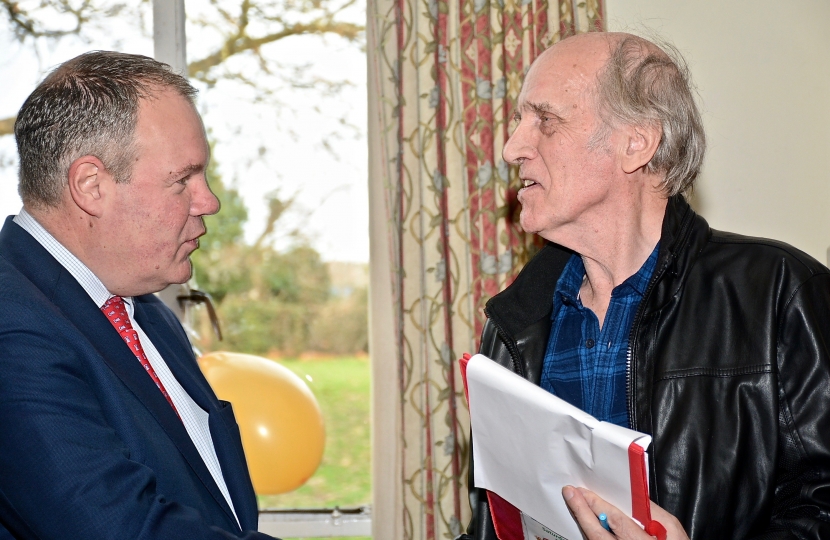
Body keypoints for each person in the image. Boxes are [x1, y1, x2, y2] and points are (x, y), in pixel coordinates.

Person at [461, 32, 830, 539]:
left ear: (636, 142)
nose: (511, 147)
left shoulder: (780, 294)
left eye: (544, 120)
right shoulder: (513, 326)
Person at [0, 51, 279, 539]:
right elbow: (119, 527)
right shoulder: (12, 326)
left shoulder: (148, 313)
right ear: (91, 186)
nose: (208, 201)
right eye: (182, 179)